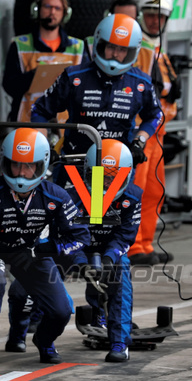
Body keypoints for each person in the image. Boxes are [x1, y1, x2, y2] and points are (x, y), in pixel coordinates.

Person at [0, 128, 90, 372]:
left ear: (41, 166)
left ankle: (44, 341)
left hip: (32, 254)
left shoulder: (56, 196)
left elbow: (81, 236)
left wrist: (46, 249)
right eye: (16, 165)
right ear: (5, 163)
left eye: (29, 166)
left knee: (62, 310)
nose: (22, 173)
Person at [31, 13, 162, 168]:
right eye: (111, 47)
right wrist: (45, 146)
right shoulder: (73, 77)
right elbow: (39, 110)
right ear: (100, 44)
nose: (115, 54)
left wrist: (138, 142)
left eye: (122, 50)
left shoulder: (141, 83)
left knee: (123, 186)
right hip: (74, 163)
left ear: (132, 52)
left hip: (117, 166)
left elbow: (155, 115)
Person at [61, 139, 141, 363]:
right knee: (43, 267)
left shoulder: (133, 197)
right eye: (101, 177)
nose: (106, 184)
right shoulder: (71, 196)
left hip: (110, 250)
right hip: (76, 248)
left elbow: (125, 235)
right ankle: (27, 330)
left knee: (120, 271)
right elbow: (67, 234)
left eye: (113, 178)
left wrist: (109, 258)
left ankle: (119, 343)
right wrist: (79, 260)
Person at [128, 0, 181, 266]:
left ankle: (145, 243)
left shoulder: (159, 51)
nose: (154, 21)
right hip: (142, 131)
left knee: (154, 192)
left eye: (160, 16)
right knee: (136, 191)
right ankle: (132, 245)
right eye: (150, 14)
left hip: (159, 132)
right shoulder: (138, 49)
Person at [2, 0, 87, 123]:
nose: (52, 12)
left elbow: (87, 86)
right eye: (47, 6)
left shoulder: (78, 47)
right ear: (37, 10)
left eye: (57, 8)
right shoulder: (19, 45)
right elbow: (9, 85)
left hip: (66, 125)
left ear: (65, 14)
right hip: (27, 121)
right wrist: (37, 75)